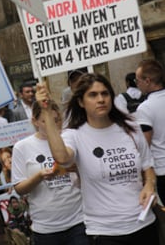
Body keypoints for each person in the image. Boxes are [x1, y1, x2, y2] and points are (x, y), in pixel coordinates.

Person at [35, 73, 158, 245]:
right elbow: (62, 158)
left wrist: (149, 185)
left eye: (105, 93)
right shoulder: (74, 135)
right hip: (105, 232)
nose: (101, 99)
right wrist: (47, 113)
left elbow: (148, 166)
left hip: (144, 224)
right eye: (93, 95)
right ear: (80, 102)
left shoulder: (131, 127)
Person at [12, 100, 87, 245]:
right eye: (46, 121)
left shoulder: (70, 138)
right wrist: (39, 176)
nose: (53, 126)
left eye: (56, 120)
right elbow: (19, 188)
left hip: (78, 220)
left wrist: (76, 169)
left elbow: (90, 177)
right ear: (35, 121)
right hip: (45, 227)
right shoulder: (22, 147)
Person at [134, 59, 165, 203]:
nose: (137, 84)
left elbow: (144, 143)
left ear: (147, 81)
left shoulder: (145, 108)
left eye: (138, 80)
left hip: (162, 168)